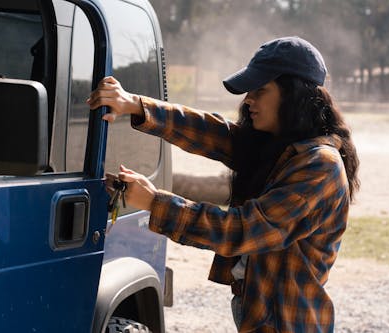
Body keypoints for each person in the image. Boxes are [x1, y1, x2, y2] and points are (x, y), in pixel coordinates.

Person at [87, 36, 360, 333]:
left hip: (287, 324)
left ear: (295, 95)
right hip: (264, 313)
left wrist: (154, 202)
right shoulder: (279, 146)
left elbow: (241, 230)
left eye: (260, 90)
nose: (249, 101)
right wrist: (137, 106)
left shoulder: (320, 167)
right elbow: (212, 131)